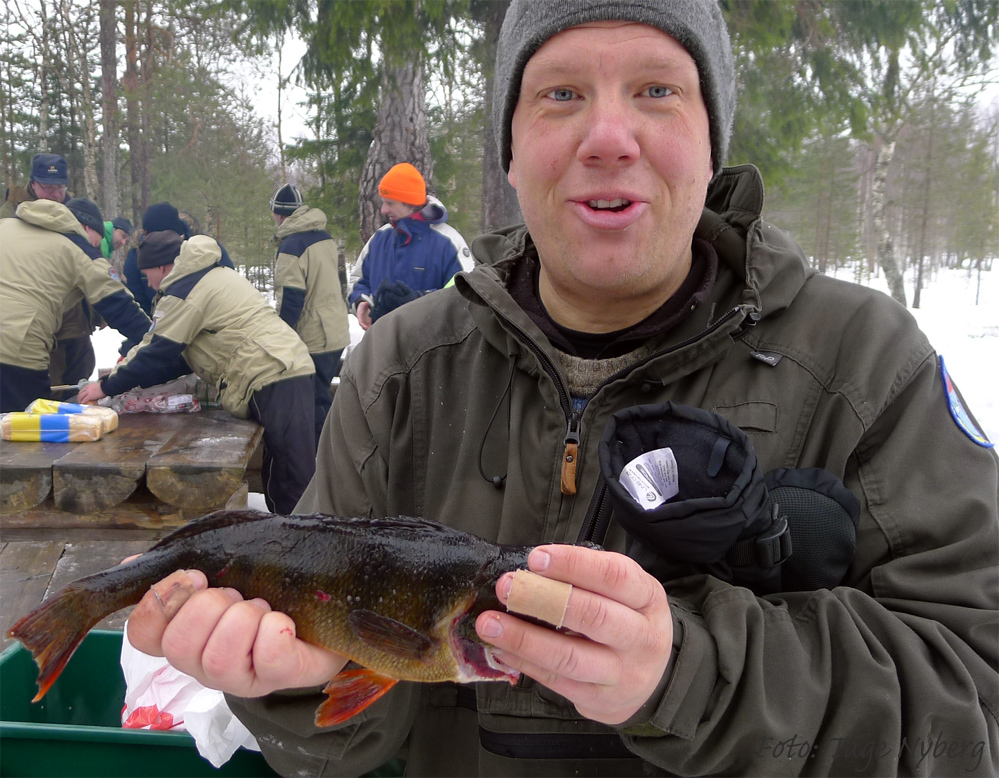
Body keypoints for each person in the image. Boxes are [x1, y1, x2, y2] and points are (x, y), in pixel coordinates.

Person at [126, 1, 998, 776]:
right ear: (511, 152)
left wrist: (689, 674)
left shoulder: (863, 361)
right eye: (560, 94)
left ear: (711, 142)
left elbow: (975, 707)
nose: (607, 136)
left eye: (657, 90)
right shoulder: (399, 365)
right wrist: (288, 686)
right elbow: (347, 745)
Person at [78, 231, 317, 515]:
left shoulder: (185, 291)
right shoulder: (208, 276)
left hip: (273, 372)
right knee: (285, 467)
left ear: (162, 267)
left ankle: (298, 539)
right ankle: (293, 532)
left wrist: (106, 387)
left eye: (147, 275)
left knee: (291, 474)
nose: (149, 283)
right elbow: (178, 359)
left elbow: (159, 351)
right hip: (280, 366)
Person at [0, 197, 150, 412]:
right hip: (16, 349)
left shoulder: (5, 225)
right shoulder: (78, 248)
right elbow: (120, 306)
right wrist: (157, 344)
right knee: (25, 430)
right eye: (97, 242)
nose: (96, 248)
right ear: (86, 227)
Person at [270, 184, 351, 443]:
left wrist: (280, 338)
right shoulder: (325, 238)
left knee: (313, 401)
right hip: (335, 330)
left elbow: (290, 299)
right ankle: (329, 454)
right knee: (321, 396)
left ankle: (321, 461)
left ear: (278, 214)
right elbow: (339, 282)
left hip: (315, 336)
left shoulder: (291, 246)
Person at [347, 162, 472, 330]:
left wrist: (418, 301)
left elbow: (466, 294)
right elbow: (357, 281)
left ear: (411, 203)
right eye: (383, 202)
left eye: (390, 203)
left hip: (431, 348)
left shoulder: (449, 243)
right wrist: (361, 302)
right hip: (380, 344)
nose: (383, 210)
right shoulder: (379, 238)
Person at [122, 202, 235, 316]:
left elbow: (227, 291)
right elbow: (135, 303)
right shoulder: (135, 257)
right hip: (157, 325)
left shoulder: (207, 250)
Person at [0, 152, 71, 219]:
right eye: (49, 187)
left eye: (60, 187)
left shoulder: (73, 207)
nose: (56, 194)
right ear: (33, 184)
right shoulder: (11, 210)